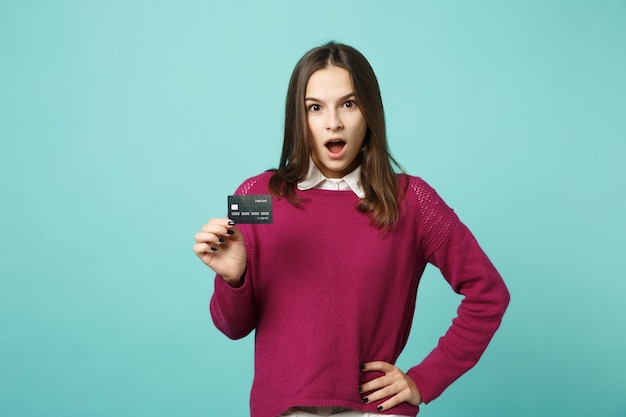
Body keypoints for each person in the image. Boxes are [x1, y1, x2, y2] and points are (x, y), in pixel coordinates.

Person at [193, 42, 510, 417]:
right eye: (315, 107)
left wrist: (423, 380)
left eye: (348, 103)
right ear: (299, 117)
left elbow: (489, 294)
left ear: (369, 111)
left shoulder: (411, 200)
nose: (333, 123)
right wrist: (234, 279)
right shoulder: (257, 196)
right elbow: (232, 327)